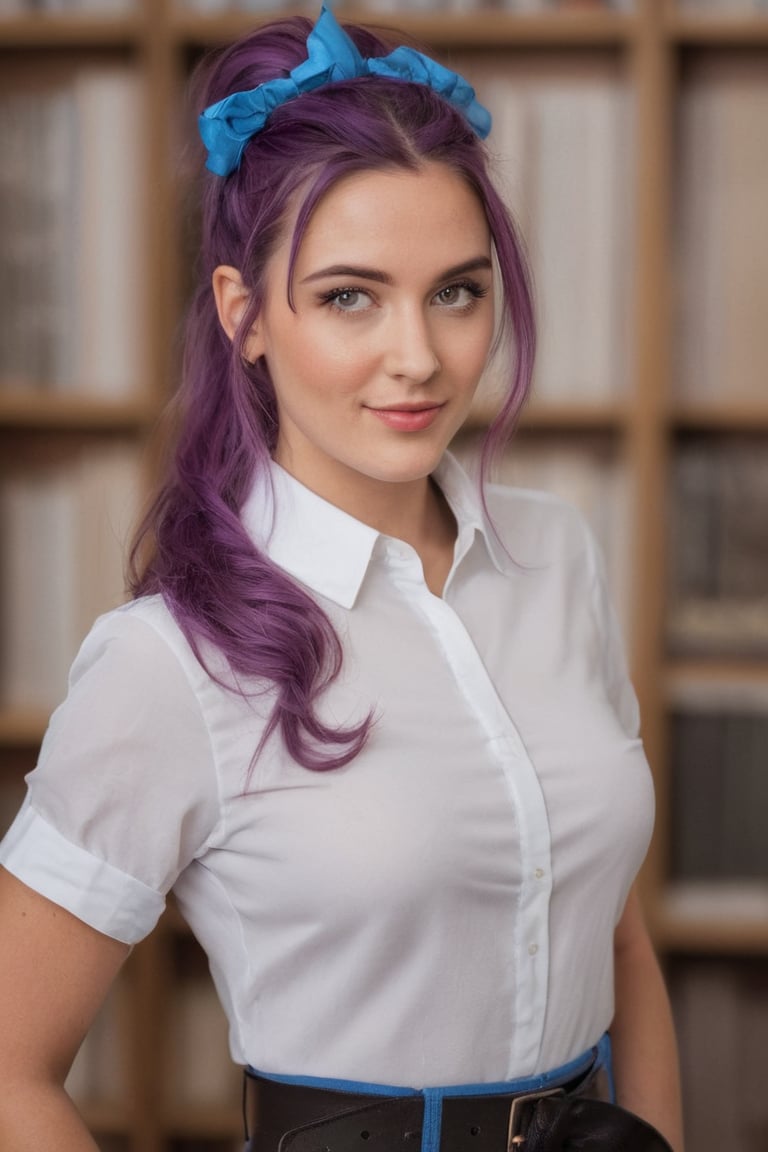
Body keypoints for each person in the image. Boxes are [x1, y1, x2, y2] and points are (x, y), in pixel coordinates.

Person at [0, 6, 684, 1151]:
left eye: (458, 292)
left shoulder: (555, 554)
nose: (417, 356)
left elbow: (615, 936)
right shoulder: (168, 662)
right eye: (349, 296)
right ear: (245, 315)